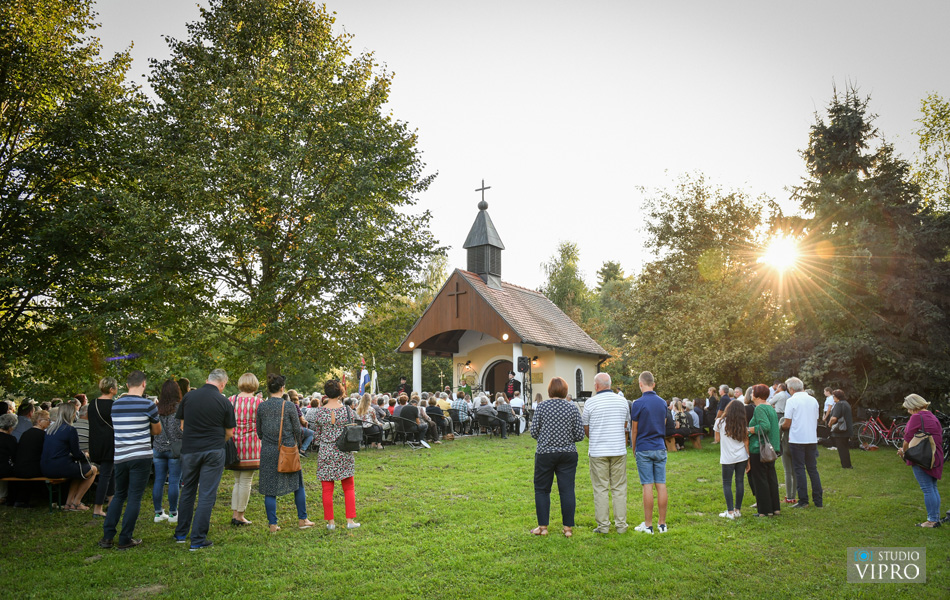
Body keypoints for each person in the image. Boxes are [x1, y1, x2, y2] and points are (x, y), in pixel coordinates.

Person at [99, 370, 161, 550]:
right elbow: (157, 431)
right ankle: (125, 538)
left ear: (127, 385)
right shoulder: (148, 405)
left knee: (119, 495)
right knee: (134, 497)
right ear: (144, 384)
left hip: (120, 456)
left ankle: (107, 536)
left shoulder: (116, 405)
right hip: (141, 455)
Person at [174, 369, 236, 551]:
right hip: (213, 450)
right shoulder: (224, 401)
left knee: (187, 491)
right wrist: (217, 442)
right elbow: (229, 432)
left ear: (206, 379)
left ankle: (180, 533)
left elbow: (182, 426)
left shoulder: (188, 398)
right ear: (223, 384)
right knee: (207, 494)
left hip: (190, 450)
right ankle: (198, 539)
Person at [256, 374, 314, 533]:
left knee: (269, 488)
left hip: (268, 449)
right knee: (298, 485)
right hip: (288, 449)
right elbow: (297, 429)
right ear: (282, 388)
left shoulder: (262, 406)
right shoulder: (288, 406)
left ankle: (273, 525)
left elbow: (259, 431)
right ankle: (303, 519)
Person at [529, 377, 584, 537]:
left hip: (545, 452)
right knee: (567, 490)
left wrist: (546, 437)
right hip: (568, 453)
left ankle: (543, 527)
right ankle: (567, 528)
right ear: (565, 390)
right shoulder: (572, 408)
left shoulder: (542, 407)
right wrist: (565, 438)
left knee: (542, 490)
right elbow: (580, 435)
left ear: (549, 390)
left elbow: (534, 432)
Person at [583, 372, 630, 534]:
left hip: (598, 451)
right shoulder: (622, 401)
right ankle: (621, 525)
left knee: (600, 488)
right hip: (618, 449)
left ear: (596, 386)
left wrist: (596, 437)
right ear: (609, 384)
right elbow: (625, 424)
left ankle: (603, 526)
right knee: (619, 488)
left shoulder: (590, 403)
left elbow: (586, 428)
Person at [312, 380, 359, 530]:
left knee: (327, 489)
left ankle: (330, 523)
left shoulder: (320, 412)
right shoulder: (347, 411)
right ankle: (350, 520)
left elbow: (317, 436)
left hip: (326, 451)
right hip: (343, 450)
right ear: (340, 392)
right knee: (348, 487)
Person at [629, 371, 669, 534]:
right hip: (659, 446)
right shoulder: (662, 403)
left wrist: (633, 447)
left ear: (640, 384)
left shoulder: (638, 403)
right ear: (653, 384)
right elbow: (663, 424)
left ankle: (648, 524)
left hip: (644, 447)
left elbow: (634, 430)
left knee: (647, 485)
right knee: (661, 484)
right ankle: (662, 524)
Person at [41, 399, 98, 511]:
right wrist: (86, 455)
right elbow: (77, 453)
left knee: (79, 471)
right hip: (60, 466)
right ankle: (77, 502)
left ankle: (68, 503)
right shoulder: (70, 429)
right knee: (93, 469)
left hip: (46, 467)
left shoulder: (50, 429)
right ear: (72, 414)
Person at [897, 394, 944, 528]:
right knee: (933, 488)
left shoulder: (916, 417)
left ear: (913, 406)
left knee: (927, 489)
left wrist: (904, 452)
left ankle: (932, 520)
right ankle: (935, 518)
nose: (908, 411)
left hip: (922, 456)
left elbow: (907, 438)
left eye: (908, 408)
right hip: (935, 455)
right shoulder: (932, 416)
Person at [781, 377, 823, 509]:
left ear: (791, 389)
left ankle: (803, 500)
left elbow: (787, 423)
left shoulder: (792, 401)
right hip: (811, 438)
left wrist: (781, 427)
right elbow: (816, 419)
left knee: (799, 469)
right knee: (812, 469)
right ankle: (818, 500)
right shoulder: (813, 400)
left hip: (797, 439)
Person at [228, 373, 263, 526]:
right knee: (246, 481)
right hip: (252, 446)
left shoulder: (231, 400)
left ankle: (236, 513)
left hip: (234, 444)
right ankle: (240, 515)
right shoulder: (258, 402)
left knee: (237, 481)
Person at [152, 379, 183, 524]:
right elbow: (178, 430)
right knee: (174, 481)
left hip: (158, 448)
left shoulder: (156, 408)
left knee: (158, 480)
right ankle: (173, 513)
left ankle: (158, 513)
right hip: (174, 449)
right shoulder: (179, 408)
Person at [747, 384, 781, 517]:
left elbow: (765, 427)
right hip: (770, 449)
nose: (750, 395)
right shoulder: (770, 407)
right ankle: (775, 508)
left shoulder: (760, 408)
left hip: (759, 448)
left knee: (760, 479)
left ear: (757, 395)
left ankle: (764, 510)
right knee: (771, 477)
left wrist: (749, 429)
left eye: (752, 392)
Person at [715, 401, 749, 519]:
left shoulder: (719, 422)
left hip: (727, 457)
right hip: (742, 456)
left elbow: (717, 439)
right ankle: (737, 510)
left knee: (727, 483)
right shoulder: (742, 423)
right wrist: (748, 460)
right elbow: (746, 441)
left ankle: (730, 512)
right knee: (739, 482)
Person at [88, 377, 117, 518]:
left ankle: (112, 501)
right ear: (111, 389)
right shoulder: (114, 405)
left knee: (110, 472)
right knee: (106, 475)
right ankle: (97, 508)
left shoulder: (92, 403)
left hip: (96, 443)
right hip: (110, 443)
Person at [768, 382, 796, 504]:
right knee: (795, 470)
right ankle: (794, 495)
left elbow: (770, 403)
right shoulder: (789, 397)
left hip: (781, 418)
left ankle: (789, 496)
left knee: (788, 470)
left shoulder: (780, 395)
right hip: (796, 442)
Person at [827, 389, 853, 469]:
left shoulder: (839, 404)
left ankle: (845, 465)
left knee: (841, 448)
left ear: (837, 397)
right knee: (845, 448)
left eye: (833, 396)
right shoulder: (846, 403)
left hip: (840, 430)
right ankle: (847, 464)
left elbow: (834, 418)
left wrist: (830, 424)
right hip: (847, 429)